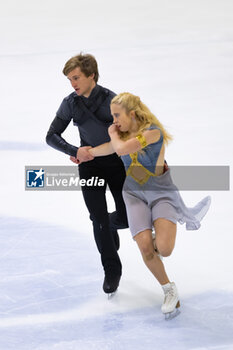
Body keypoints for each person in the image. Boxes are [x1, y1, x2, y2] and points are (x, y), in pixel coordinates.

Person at [88, 92, 211, 317]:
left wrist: (112, 134)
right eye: (112, 116)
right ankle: (169, 289)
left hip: (161, 193)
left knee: (164, 249)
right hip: (134, 195)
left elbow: (123, 149)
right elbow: (108, 148)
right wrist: (86, 153)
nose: (113, 120)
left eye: (117, 115)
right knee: (145, 247)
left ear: (131, 114)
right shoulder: (121, 134)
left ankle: (157, 239)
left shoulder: (153, 131)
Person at [46, 53, 128, 295]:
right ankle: (112, 270)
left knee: (124, 217)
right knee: (98, 219)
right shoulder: (70, 102)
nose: (73, 84)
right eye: (70, 79)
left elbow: (130, 136)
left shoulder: (112, 101)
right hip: (90, 166)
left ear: (91, 75)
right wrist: (75, 151)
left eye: (76, 78)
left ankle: (110, 226)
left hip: (116, 164)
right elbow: (51, 136)